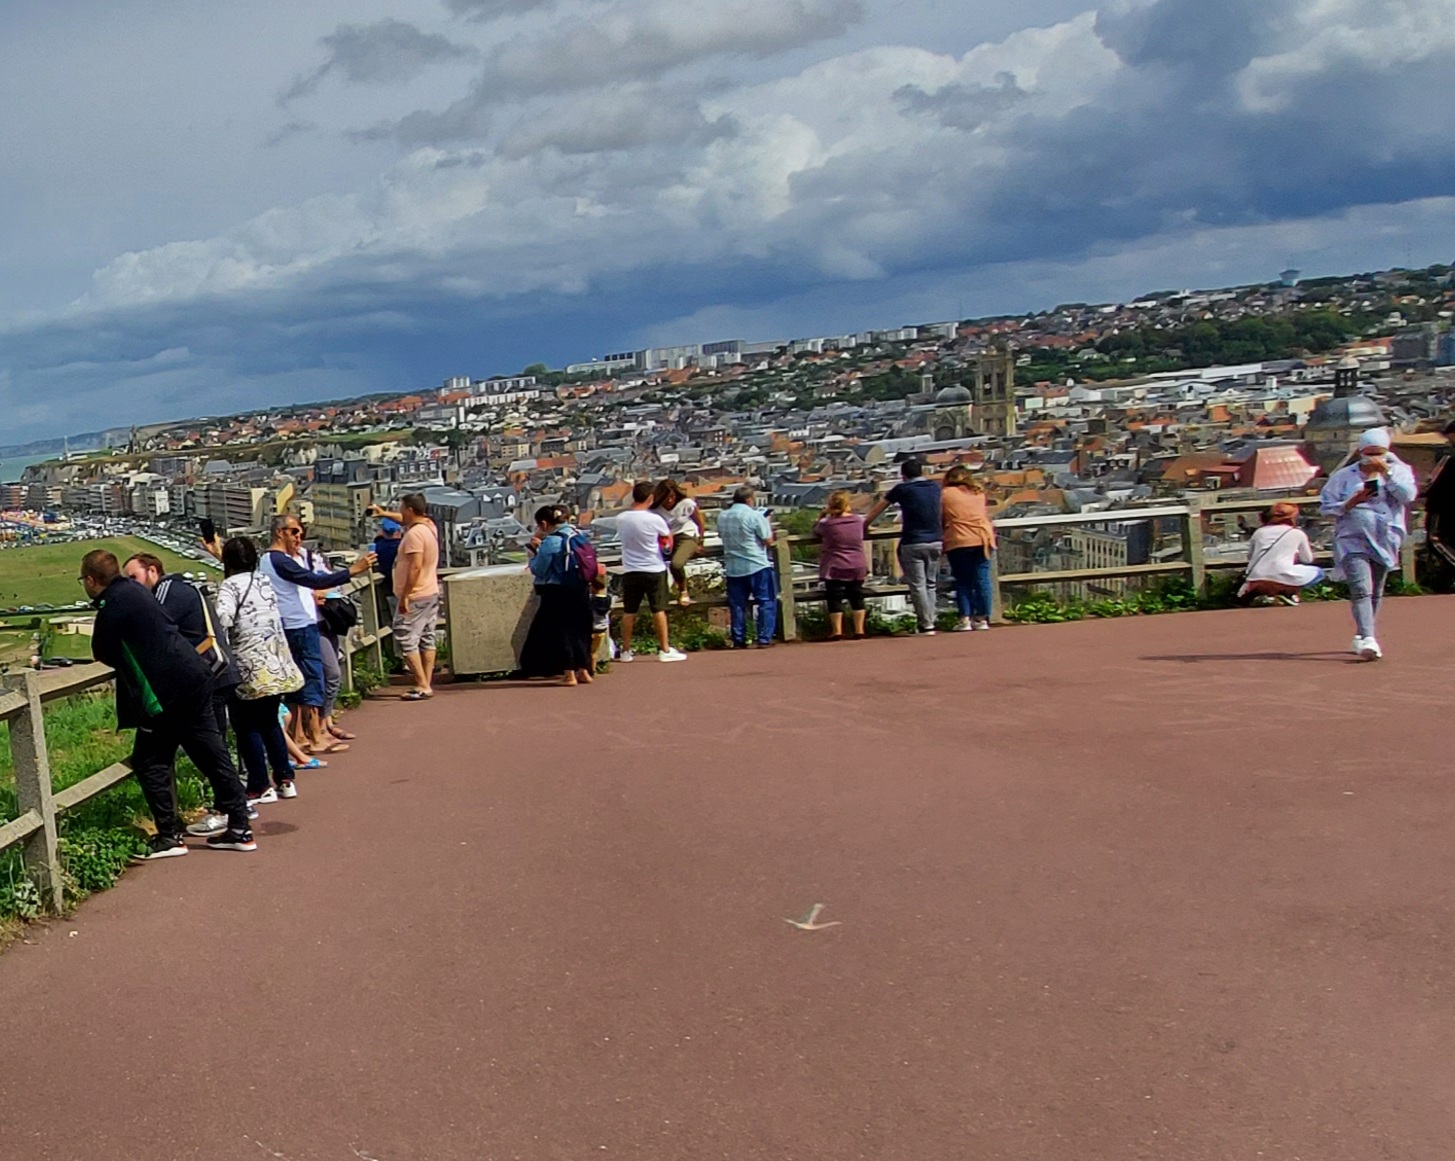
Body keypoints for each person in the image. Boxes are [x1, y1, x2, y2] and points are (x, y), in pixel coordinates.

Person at [81, 550, 255, 858]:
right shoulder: (135, 590)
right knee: (212, 755)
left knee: (150, 761)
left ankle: (169, 835)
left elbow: (102, 650)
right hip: (195, 677)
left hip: (169, 692)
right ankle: (240, 827)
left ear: (92, 580)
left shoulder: (112, 605)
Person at [122, 552, 243, 836]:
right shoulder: (179, 589)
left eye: (134, 577)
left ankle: (228, 813)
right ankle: (235, 814)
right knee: (209, 750)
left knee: (210, 751)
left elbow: (149, 629)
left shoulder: (168, 593)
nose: (132, 585)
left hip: (205, 678)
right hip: (208, 677)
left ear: (153, 571)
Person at [259, 515, 375, 741]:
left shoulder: (272, 559)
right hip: (299, 625)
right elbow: (314, 580)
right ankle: (315, 736)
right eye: (294, 532)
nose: (299, 537)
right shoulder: (279, 560)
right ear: (280, 532)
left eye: (301, 532)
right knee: (312, 680)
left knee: (302, 682)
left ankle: (303, 735)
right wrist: (353, 570)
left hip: (296, 624)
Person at [213, 536, 304, 804]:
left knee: (246, 725)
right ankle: (285, 778)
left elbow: (222, 619)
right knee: (269, 720)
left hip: (248, 665)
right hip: (276, 660)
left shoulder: (230, 586)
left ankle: (259, 785)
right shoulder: (263, 580)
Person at [1319, 428, 1416, 660]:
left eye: (1378, 453)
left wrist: (1387, 474)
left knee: (1376, 590)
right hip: (1352, 538)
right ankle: (1368, 637)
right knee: (1362, 588)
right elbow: (1326, 507)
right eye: (1369, 453)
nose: (1373, 458)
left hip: (1385, 538)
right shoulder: (1344, 476)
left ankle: (1362, 633)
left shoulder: (1400, 471)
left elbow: (1408, 496)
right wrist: (1351, 502)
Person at [865, 459, 943, 634]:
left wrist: (864, 526)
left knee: (918, 585)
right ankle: (932, 618)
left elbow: (878, 509)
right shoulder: (934, 487)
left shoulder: (902, 489)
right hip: (936, 540)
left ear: (903, 475)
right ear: (922, 472)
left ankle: (926, 624)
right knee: (931, 584)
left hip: (913, 541)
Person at [519, 505, 595, 685]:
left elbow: (539, 570)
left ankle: (568, 673)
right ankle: (584, 670)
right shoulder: (578, 534)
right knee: (581, 629)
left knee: (562, 631)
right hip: (580, 588)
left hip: (557, 590)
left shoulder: (551, 541)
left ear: (544, 524)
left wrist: (534, 552)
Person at [615, 481, 687, 662]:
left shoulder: (621, 518)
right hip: (653, 567)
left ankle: (625, 651)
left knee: (629, 611)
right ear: (650, 498)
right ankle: (664, 649)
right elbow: (667, 540)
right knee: (658, 609)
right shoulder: (655, 519)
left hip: (630, 569)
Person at [390, 494, 443, 699]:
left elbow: (415, 566)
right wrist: (383, 513)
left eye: (402, 508)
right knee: (427, 636)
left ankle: (422, 684)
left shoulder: (414, 535)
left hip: (416, 594)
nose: (401, 512)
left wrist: (405, 595)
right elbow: (403, 520)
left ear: (410, 510)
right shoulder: (429, 526)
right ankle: (426, 683)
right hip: (430, 590)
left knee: (405, 636)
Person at [717, 486, 777, 649]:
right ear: (750, 499)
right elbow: (768, 540)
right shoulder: (755, 515)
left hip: (733, 566)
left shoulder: (722, 516)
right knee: (765, 601)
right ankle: (764, 637)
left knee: (737, 605)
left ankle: (738, 638)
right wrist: (767, 522)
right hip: (756, 564)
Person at [941, 466, 997, 631]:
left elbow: (940, 517)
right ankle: (982, 618)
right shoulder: (978, 493)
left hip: (960, 539)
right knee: (982, 579)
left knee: (963, 581)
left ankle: (965, 619)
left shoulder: (945, 494)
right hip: (983, 538)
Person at [1237, 502, 1324, 606]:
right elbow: (1307, 559)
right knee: (1319, 573)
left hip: (1256, 576)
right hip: (1282, 574)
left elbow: (1250, 556)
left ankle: (1268, 596)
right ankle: (1289, 593)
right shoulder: (1297, 533)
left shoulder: (1259, 532)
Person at [814, 491, 867, 641]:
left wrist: (821, 516)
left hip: (835, 565)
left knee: (834, 597)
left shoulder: (826, 524)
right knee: (857, 596)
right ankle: (859, 630)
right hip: (857, 563)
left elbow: (816, 531)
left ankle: (837, 631)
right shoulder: (858, 520)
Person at [652, 479, 705, 606]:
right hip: (667, 539)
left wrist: (701, 541)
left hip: (687, 536)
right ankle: (661, 595)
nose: (669, 500)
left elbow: (700, 522)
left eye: (672, 496)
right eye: (666, 497)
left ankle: (683, 591)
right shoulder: (656, 510)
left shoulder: (686, 504)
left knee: (676, 564)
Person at [1421, 419, 1455, 588]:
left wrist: (1426, 491)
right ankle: (1443, 580)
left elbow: (1438, 486)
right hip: (1444, 507)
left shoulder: (1449, 460)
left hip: (1443, 509)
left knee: (1436, 541)